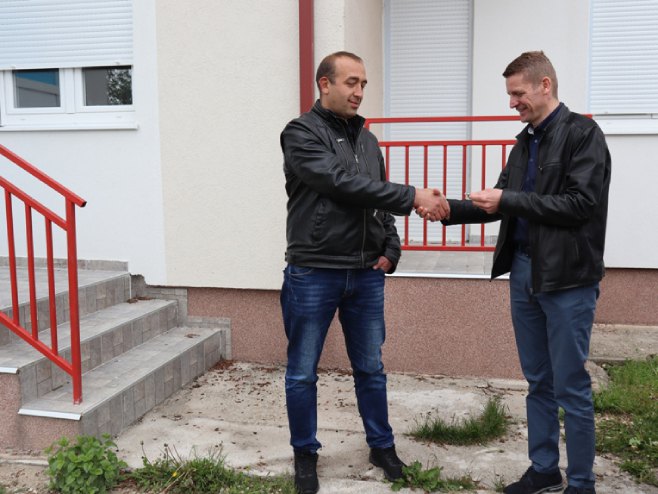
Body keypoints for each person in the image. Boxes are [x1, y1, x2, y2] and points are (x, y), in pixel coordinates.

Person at [433, 51, 611, 494]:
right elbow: (498, 203)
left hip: (568, 279)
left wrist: (507, 200)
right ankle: (544, 469)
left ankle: (582, 484)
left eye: (518, 93)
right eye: (510, 94)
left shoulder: (583, 135)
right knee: (538, 382)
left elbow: (580, 205)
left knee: (571, 385)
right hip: (525, 272)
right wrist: (446, 209)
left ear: (545, 85)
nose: (512, 102)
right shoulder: (524, 143)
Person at [279, 51, 449, 494]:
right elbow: (340, 184)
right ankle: (305, 454)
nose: (359, 92)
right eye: (351, 82)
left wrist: (390, 249)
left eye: (363, 84)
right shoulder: (300, 133)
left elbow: (376, 199)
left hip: (366, 274)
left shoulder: (368, 141)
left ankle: (382, 446)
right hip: (314, 271)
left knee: (371, 368)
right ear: (325, 84)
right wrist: (413, 196)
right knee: (302, 372)